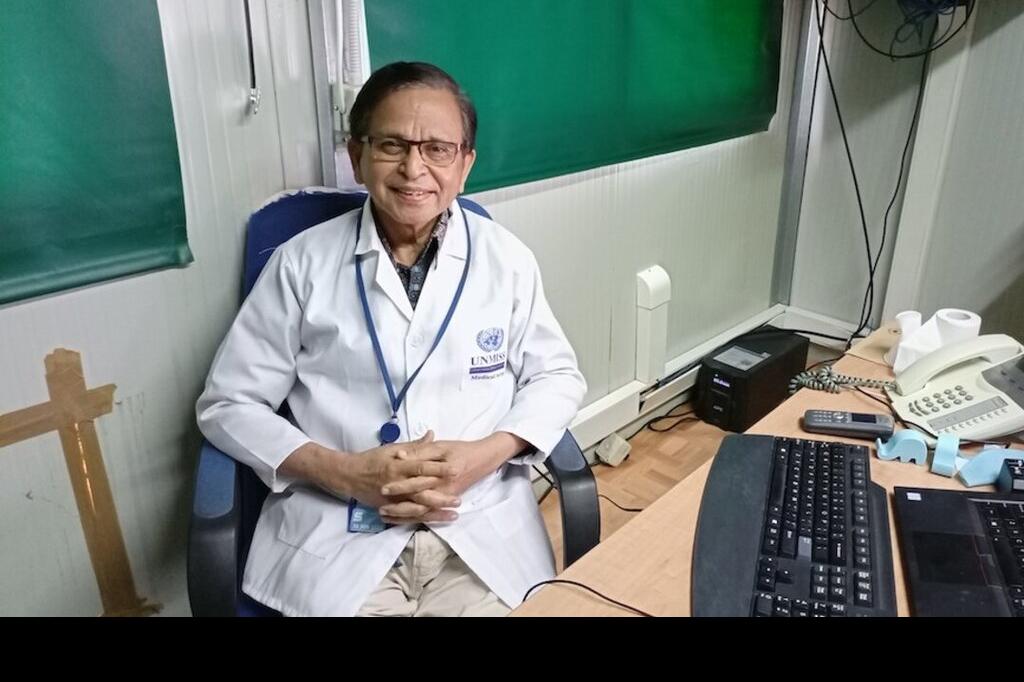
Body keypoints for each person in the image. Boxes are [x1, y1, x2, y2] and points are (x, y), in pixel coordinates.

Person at [196, 61, 585, 616]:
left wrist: (486, 455)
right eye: (392, 145)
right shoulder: (300, 264)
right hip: (341, 532)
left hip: (476, 527)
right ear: (357, 156)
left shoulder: (507, 259)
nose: (413, 168)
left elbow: (557, 376)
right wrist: (344, 472)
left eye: (438, 149)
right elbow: (228, 404)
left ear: (465, 164)